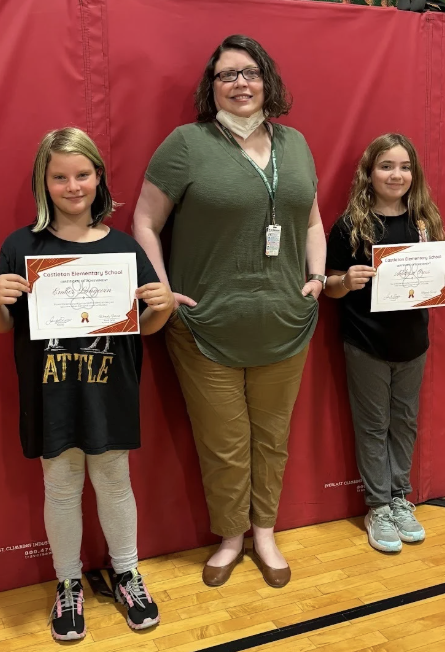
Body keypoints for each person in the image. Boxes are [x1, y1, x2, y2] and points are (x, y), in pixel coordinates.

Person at [133, 34, 326, 589]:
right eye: (227, 75)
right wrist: (163, 290)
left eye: (250, 73)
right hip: (204, 327)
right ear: (210, 86)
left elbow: (311, 221)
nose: (240, 83)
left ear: (268, 81)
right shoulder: (186, 143)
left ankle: (265, 530)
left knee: (272, 436)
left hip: (285, 323)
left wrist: (315, 277)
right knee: (223, 442)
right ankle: (231, 536)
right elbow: (145, 222)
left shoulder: (297, 145)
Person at [0, 128, 172, 641]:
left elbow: (142, 325)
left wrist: (159, 309)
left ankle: (126, 572)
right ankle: (68, 583)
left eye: (82, 174)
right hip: (51, 391)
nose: (72, 186)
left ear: (99, 177)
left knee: (115, 482)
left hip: (109, 390)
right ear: (43, 182)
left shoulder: (123, 248)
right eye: (59, 177)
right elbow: (5, 327)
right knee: (61, 486)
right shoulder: (19, 246)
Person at [324, 133, 445, 553]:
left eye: (404, 167)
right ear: (369, 172)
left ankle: (401, 497)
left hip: (413, 343)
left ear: (414, 174)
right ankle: (378, 505)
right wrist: (345, 281)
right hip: (366, 344)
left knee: (405, 423)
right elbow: (326, 285)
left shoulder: (425, 221)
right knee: (372, 426)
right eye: (386, 166)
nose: (396, 174)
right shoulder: (350, 224)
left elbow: (429, 277)